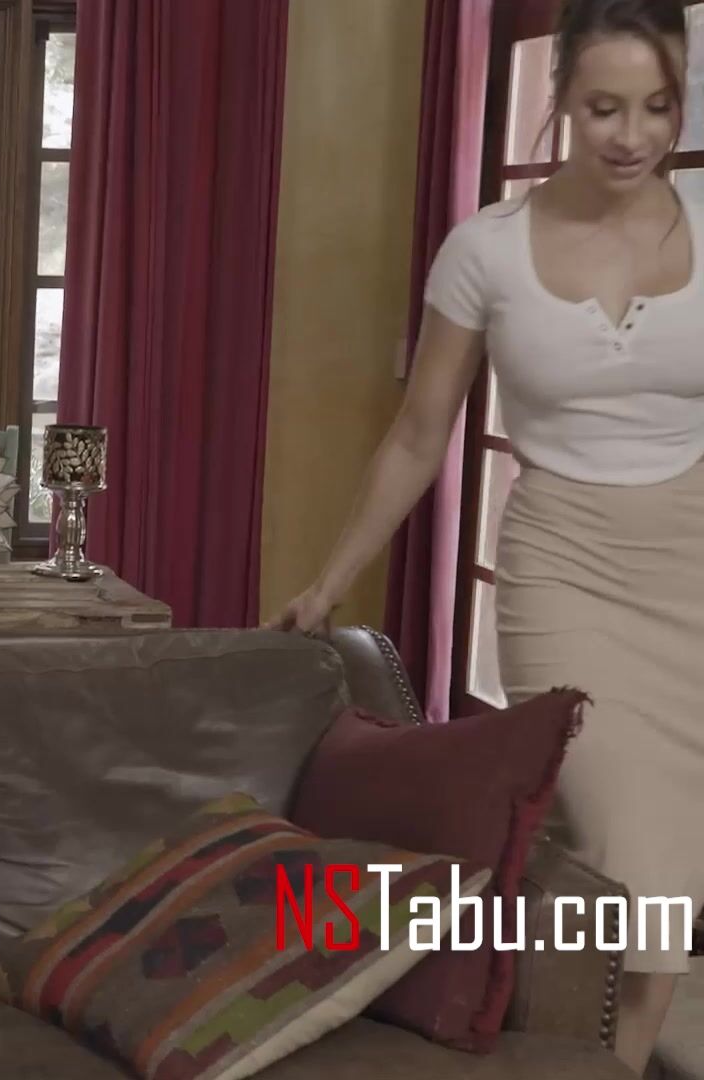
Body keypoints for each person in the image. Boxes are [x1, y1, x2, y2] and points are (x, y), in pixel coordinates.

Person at [272, 0, 699, 1072]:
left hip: (693, 557)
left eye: (658, 107)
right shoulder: (486, 251)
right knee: (627, 848)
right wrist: (330, 581)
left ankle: (618, 1060)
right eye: (604, 107)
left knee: (677, 868)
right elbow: (419, 435)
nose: (633, 135)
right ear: (561, 99)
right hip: (565, 568)